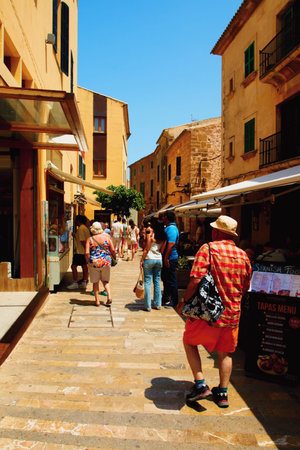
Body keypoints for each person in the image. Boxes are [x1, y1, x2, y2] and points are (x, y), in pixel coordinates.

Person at [179, 215, 251, 408]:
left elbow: (195, 280)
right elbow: (246, 287)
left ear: (217, 232)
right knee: (226, 354)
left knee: (189, 341)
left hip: (207, 312)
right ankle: (223, 392)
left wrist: (185, 301)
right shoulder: (243, 255)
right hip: (232, 313)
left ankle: (201, 384)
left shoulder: (208, 249)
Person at [85, 221, 116, 307]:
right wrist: (114, 257)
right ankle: (109, 296)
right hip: (105, 262)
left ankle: (97, 301)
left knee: (95, 282)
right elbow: (113, 250)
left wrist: (88, 262)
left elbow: (87, 253)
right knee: (105, 281)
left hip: (94, 263)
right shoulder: (107, 237)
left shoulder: (90, 239)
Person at [140, 219, 165, 311]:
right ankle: (157, 304)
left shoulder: (150, 235)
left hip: (149, 258)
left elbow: (146, 249)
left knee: (147, 282)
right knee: (157, 282)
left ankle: (147, 306)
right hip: (159, 259)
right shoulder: (163, 236)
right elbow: (162, 250)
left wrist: (141, 260)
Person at [161, 210, 179, 307]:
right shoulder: (169, 228)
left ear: (167, 218)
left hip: (170, 257)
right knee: (166, 278)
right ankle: (166, 298)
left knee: (171, 280)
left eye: (163, 216)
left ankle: (175, 300)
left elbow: (171, 244)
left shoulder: (171, 229)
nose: (162, 218)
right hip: (168, 257)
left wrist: (166, 258)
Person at [67, 215, 90, 289]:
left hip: (80, 251)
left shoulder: (80, 229)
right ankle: (84, 281)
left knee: (73, 266)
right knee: (84, 266)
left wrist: (86, 249)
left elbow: (82, 241)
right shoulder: (85, 228)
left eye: (76, 220)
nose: (75, 221)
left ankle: (75, 282)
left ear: (78, 221)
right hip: (83, 251)